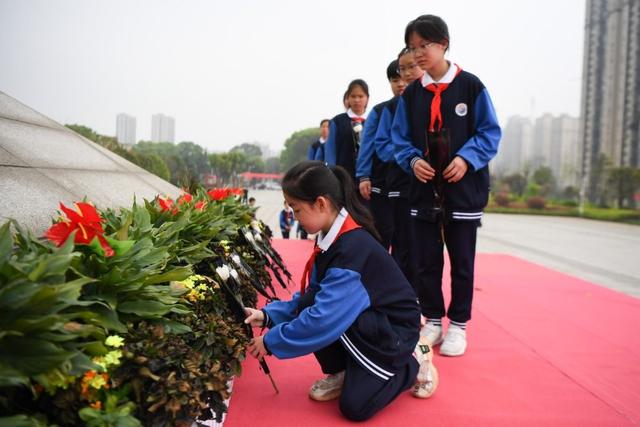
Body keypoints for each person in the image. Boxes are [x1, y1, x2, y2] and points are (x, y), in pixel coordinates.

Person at [244, 161, 438, 421]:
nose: (293, 216)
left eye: (296, 209)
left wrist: (270, 342)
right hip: (367, 321)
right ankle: (344, 369)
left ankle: (414, 360)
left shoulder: (351, 251)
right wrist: (268, 316)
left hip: (394, 331)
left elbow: (324, 319)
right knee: (313, 301)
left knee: (355, 406)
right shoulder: (330, 237)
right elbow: (311, 297)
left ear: (321, 204)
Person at [392, 15, 501, 356]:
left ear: (444, 44)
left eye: (424, 45)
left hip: (463, 190)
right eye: (412, 47)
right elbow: (398, 139)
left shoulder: (471, 86)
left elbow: (490, 132)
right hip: (424, 189)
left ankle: (459, 325)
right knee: (426, 260)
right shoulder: (412, 95)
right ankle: (433, 320)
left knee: (462, 261)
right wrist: (413, 161)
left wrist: (467, 158)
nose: (418, 53)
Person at [373, 48, 424, 282]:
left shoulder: (438, 98)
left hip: (428, 186)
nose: (406, 75)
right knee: (401, 243)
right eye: (402, 70)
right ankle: (400, 292)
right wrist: (410, 159)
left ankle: (420, 295)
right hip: (400, 185)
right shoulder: (391, 108)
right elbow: (382, 145)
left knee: (424, 247)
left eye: (412, 67)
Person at [355, 60, 406, 249]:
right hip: (381, 181)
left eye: (403, 79)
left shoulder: (420, 106)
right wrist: (364, 176)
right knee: (383, 230)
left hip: (409, 183)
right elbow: (367, 145)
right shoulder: (380, 110)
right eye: (395, 80)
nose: (400, 84)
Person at [325, 79, 369, 187]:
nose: (357, 100)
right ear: (348, 98)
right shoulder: (337, 121)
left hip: (368, 179)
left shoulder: (373, 120)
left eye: (361, 96)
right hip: (343, 178)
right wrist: (332, 175)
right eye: (353, 96)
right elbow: (330, 150)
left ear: (367, 98)